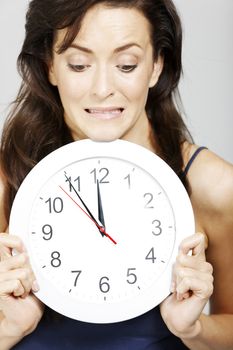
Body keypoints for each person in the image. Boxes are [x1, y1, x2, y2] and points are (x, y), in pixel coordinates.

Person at [0, 0, 232, 349]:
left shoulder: (213, 186)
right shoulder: (10, 179)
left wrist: (193, 329)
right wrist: (10, 328)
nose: (102, 88)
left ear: (156, 66)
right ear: (50, 65)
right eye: (79, 65)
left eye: (126, 64)